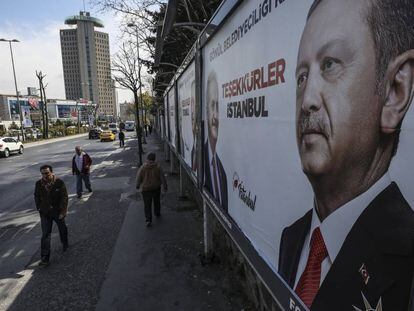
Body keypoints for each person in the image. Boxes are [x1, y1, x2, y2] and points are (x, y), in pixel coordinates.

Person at [277, 0, 414, 310]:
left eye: (330, 64)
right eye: (301, 77)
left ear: (395, 91)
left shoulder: (407, 263)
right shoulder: (293, 239)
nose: (307, 100)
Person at [34, 164, 69, 266]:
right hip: (45, 213)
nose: (44, 176)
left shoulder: (59, 182)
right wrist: (39, 208)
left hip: (57, 212)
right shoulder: (38, 184)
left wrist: (63, 212)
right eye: (42, 174)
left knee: (62, 228)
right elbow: (36, 196)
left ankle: (65, 242)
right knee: (45, 235)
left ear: (51, 172)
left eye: (46, 173)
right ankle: (45, 258)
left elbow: (64, 197)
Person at [203, 71, 228, 211]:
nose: (216, 116)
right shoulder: (201, 161)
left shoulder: (222, 173)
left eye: (218, 106)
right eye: (212, 106)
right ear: (206, 110)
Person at [136, 152, 168, 227]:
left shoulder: (143, 167)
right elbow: (162, 177)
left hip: (146, 189)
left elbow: (139, 177)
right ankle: (157, 212)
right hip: (156, 188)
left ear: (147, 159)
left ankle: (148, 219)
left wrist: (137, 185)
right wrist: (165, 186)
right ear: (154, 159)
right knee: (157, 201)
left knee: (147, 205)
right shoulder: (158, 167)